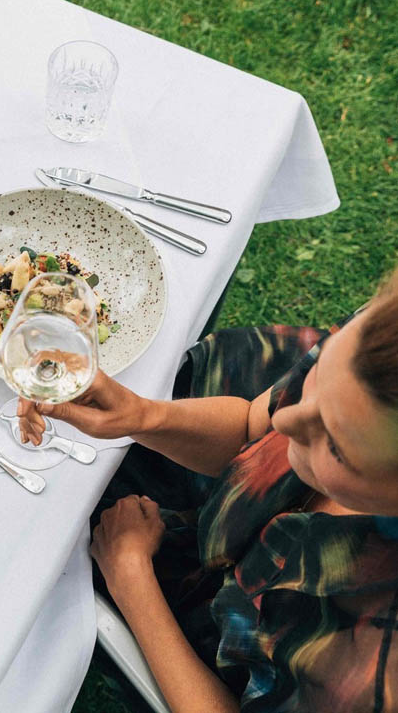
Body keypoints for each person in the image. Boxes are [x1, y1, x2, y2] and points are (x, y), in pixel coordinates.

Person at [20, 266, 398, 713]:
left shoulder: (375, 672)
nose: (285, 421)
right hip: (225, 519)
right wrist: (141, 417)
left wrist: (130, 576)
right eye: (318, 381)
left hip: (220, 641)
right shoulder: (381, 344)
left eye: (335, 445)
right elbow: (254, 427)